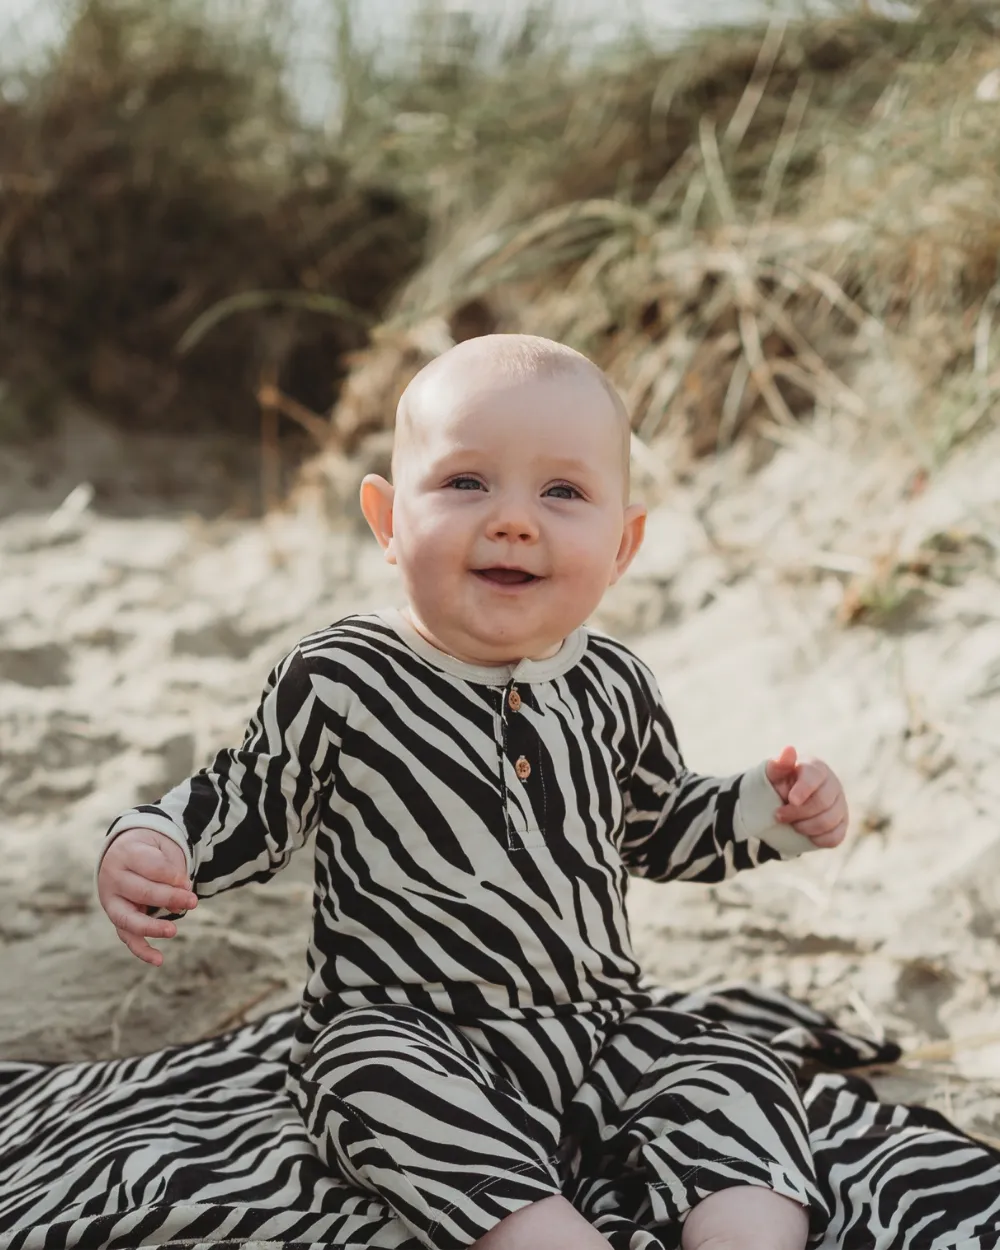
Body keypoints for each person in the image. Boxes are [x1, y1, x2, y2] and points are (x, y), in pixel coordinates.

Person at [96, 334, 849, 1250]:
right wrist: (156, 844)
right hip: (402, 1027)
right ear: (386, 520)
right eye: (465, 483)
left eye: (563, 493)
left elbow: (655, 828)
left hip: (594, 1025)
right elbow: (250, 800)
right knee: (372, 1089)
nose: (514, 520)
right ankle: (544, 1233)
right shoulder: (343, 678)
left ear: (623, 545)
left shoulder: (614, 683)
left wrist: (767, 809)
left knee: (733, 1065)